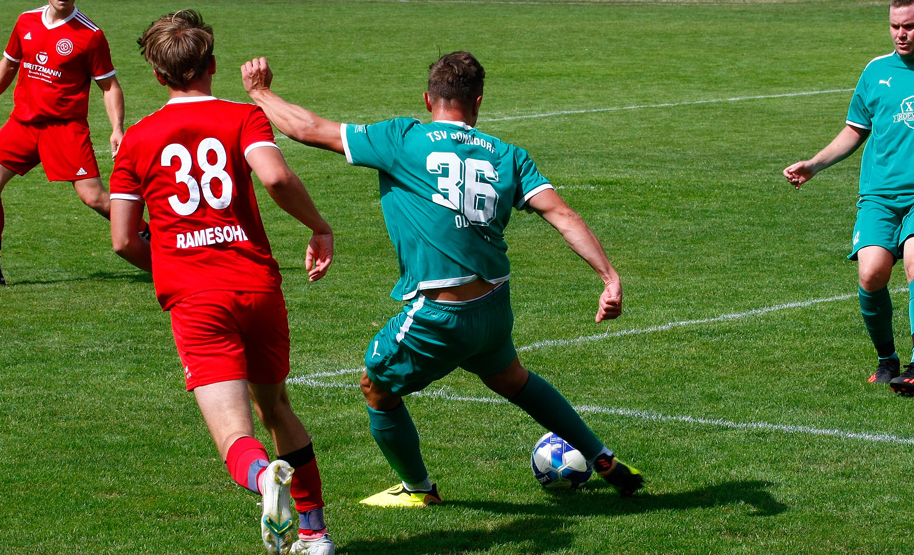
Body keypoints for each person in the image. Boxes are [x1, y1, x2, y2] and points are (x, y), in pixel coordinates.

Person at [241, 50, 644, 506]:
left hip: (441, 314)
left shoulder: (402, 138)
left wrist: (259, 92)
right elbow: (562, 214)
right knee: (511, 379)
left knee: (376, 387)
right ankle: (601, 456)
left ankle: (418, 489)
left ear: (428, 98)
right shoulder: (510, 155)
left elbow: (307, 129)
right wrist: (609, 277)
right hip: (493, 307)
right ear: (477, 101)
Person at [109, 10, 336, 555]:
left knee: (237, 436)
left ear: (159, 78)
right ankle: (315, 532)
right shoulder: (241, 117)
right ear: (212, 65)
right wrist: (319, 227)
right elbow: (276, 176)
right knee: (276, 405)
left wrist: (174, 267)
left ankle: (264, 481)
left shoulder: (136, 139)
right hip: (256, 286)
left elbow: (122, 240)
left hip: (196, 297)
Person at [784, 0, 914, 397]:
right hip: (879, 195)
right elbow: (856, 128)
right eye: (894, 26)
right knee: (872, 272)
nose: (901, 34)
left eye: (909, 25)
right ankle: (887, 359)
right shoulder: (876, 71)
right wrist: (815, 164)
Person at [0, 0, 127, 288]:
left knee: (94, 198)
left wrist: (117, 128)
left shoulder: (90, 35)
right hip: (23, 123)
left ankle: (151, 238)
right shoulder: (26, 21)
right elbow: (8, 65)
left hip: (64, 127)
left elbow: (110, 86)